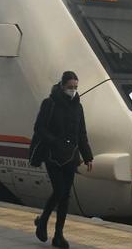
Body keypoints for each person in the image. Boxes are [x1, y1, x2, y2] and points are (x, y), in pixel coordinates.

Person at [31, 71, 94, 249]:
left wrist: (88, 156)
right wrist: (54, 142)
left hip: (71, 157)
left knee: (65, 195)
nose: (73, 91)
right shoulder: (49, 103)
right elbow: (39, 128)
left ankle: (58, 235)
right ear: (62, 86)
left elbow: (81, 133)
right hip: (53, 156)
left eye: (75, 87)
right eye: (70, 87)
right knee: (59, 191)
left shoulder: (78, 107)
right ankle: (43, 221)